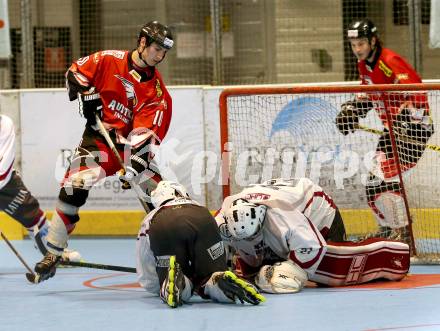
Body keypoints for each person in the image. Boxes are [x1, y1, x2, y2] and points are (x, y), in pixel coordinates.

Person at [33, 21, 174, 282]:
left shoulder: (157, 94)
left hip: (131, 150)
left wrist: (134, 165)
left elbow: (143, 138)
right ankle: (54, 252)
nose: (160, 56)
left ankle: (178, 253)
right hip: (98, 140)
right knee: (73, 185)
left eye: (163, 52)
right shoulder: (109, 59)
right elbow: (76, 73)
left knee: (163, 197)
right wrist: (88, 95)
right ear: (142, 43)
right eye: (156, 49)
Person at [215, 178, 410, 294]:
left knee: (320, 273)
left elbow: (313, 250)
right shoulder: (222, 217)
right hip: (281, 203)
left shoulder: (283, 217)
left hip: (318, 211)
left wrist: (290, 270)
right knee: (255, 268)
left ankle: (391, 250)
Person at [336, 19, 434, 239]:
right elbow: (367, 94)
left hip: (413, 130)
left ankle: (402, 232)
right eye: (353, 45)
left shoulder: (389, 60)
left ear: (372, 40)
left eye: (361, 43)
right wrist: (354, 110)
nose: (357, 49)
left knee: (381, 181)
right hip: (393, 132)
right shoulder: (363, 65)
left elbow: (418, 91)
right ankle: (391, 230)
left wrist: (409, 116)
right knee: (372, 185)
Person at [136, 180, 265, 308]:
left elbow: (145, 263)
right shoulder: (199, 206)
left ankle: (181, 283)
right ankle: (216, 280)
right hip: (203, 219)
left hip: (164, 223)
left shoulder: (152, 217)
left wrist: (155, 284)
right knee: (209, 276)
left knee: (172, 280)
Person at [0, 114, 80, 261]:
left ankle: (52, 248)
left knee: (31, 211)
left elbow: (2, 171)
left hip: (5, 185)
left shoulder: (5, 124)